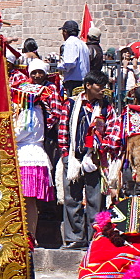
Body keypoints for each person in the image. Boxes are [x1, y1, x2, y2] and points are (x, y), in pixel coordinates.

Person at [60, 70, 117, 249]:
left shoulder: (107, 107)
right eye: (100, 86)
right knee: (72, 199)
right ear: (88, 86)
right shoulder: (70, 104)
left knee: (95, 199)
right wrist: (65, 156)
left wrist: (100, 150)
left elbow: (113, 131)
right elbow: (63, 130)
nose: (103, 90)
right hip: (73, 157)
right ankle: (75, 238)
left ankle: (95, 238)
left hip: (95, 159)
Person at [12, 59, 60, 237]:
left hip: (27, 156)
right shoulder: (37, 110)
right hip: (35, 155)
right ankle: (29, 235)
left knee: (26, 202)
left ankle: (28, 236)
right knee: (29, 203)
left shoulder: (29, 111)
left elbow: (21, 132)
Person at [58, 20, 90, 96]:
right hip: (83, 80)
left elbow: (70, 63)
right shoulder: (82, 43)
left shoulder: (70, 43)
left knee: (73, 104)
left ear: (65, 32)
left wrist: (59, 66)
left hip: (73, 82)